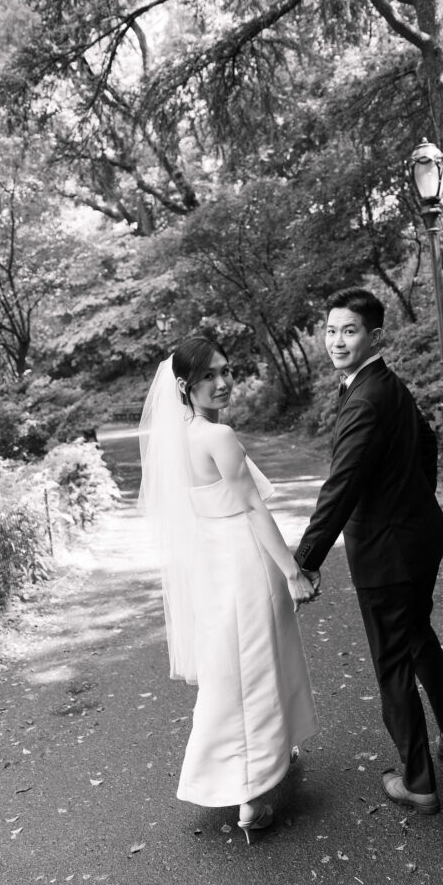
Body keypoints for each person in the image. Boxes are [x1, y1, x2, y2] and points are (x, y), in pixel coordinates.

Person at [294, 287, 443, 815]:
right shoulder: (384, 383)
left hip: (388, 554)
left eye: (349, 330)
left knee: (393, 660)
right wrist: (415, 497)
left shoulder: (368, 396)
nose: (337, 341)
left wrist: (304, 560)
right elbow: (427, 444)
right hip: (419, 539)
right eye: (330, 330)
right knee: (418, 636)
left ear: (374, 335)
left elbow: (342, 485)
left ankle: (419, 782)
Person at [139, 336, 319, 843]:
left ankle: (270, 758)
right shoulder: (218, 437)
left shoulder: (179, 440)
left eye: (226, 371)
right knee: (255, 669)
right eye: (209, 376)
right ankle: (250, 793)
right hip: (245, 562)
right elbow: (254, 509)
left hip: (213, 567)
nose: (222, 382)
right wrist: (291, 572)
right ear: (183, 386)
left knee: (238, 667)